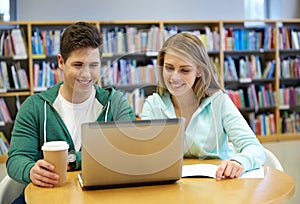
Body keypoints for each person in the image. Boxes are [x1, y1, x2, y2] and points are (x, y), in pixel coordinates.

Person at [7, 22, 136, 201]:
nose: (86, 74)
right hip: (50, 197)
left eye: (93, 65)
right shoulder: (35, 107)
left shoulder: (115, 103)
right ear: (61, 62)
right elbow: (16, 159)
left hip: (103, 197)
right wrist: (30, 170)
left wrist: (73, 160)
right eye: (78, 65)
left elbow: (130, 152)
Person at [140, 32, 265, 181]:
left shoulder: (219, 102)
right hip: (172, 186)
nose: (174, 77)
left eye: (184, 70)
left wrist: (239, 162)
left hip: (218, 183)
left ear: (199, 71)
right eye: (169, 68)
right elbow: (144, 153)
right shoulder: (153, 105)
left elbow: (255, 148)